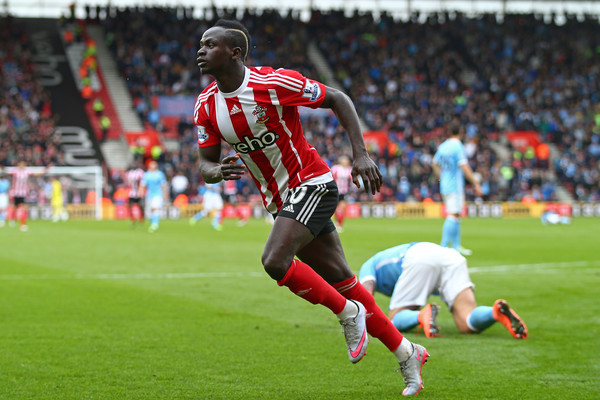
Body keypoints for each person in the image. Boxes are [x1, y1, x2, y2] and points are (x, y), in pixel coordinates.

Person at [194, 19, 428, 396]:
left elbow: (338, 98)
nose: (200, 50)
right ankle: (407, 352)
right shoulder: (206, 106)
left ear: (234, 52)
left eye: (209, 44)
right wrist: (216, 170)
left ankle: (347, 314)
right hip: (280, 202)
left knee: (274, 260)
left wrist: (361, 155)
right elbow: (204, 164)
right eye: (200, 45)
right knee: (346, 282)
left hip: (312, 184)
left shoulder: (272, 84)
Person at [359, 242, 528, 339]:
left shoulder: (368, 265)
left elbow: (364, 297)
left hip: (418, 257)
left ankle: (421, 315)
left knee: (394, 320)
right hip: (450, 257)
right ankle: (494, 312)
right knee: (466, 322)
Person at [432, 121, 482, 256]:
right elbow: (464, 166)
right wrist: (475, 183)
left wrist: (440, 178)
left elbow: (435, 163)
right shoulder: (458, 146)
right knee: (453, 214)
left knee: (457, 214)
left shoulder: (443, 146)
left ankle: (456, 245)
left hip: (445, 184)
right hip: (455, 186)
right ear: (460, 133)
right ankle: (443, 246)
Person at [7, 161, 48, 231]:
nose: (22, 165)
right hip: (15, 192)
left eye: (23, 164)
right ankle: (12, 219)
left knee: (24, 208)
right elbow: (5, 171)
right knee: (14, 207)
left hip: (23, 193)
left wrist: (44, 171)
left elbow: (36, 173)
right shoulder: (15, 171)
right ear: (18, 164)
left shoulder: (27, 171)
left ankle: (23, 224)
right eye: (20, 164)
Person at [140, 160, 168, 233]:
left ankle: (155, 225)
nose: (153, 165)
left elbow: (163, 185)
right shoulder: (146, 175)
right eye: (152, 164)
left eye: (154, 164)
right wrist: (141, 192)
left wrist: (165, 195)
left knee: (156, 208)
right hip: (149, 195)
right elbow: (142, 184)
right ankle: (153, 223)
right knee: (150, 211)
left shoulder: (160, 174)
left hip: (158, 194)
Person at [331, 155, 353, 232]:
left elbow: (352, 179)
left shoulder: (349, 169)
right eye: (345, 160)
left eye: (347, 160)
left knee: (341, 209)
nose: (346, 162)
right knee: (336, 209)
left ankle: (339, 225)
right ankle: (337, 223)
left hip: (344, 192)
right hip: (335, 191)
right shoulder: (335, 168)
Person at [126, 160, 145, 227]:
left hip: (139, 193)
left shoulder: (140, 172)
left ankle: (141, 220)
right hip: (132, 193)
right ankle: (133, 220)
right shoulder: (129, 173)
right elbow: (128, 183)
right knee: (130, 206)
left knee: (141, 206)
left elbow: (143, 182)